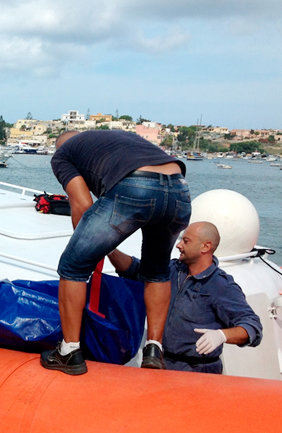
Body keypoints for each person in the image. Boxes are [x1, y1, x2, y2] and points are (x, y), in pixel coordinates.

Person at [41, 130, 191, 375]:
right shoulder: (109, 139)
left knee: (72, 267)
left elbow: (83, 204)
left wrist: (86, 250)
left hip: (137, 185)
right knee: (156, 271)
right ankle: (154, 349)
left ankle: (69, 352)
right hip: (179, 189)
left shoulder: (62, 155)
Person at [108, 221, 263, 374]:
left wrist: (222, 335)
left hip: (198, 373)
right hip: (160, 365)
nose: (178, 245)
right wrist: (109, 249)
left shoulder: (221, 286)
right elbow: (136, 270)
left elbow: (252, 327)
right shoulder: (171, 270)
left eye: (186, 241)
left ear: (205, 247)